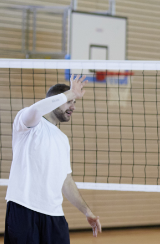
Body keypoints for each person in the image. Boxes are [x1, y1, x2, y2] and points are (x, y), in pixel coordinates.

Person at [6, 75, 102, 244]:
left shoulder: (63, 139)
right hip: (23, 209)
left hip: (54, 215)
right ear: (54, 101)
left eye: (74, 102)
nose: (73, 107)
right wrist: (71, 92)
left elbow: (66, 181)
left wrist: (87, 211)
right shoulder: (28, 123)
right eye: (69, 102)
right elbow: (36, 110)